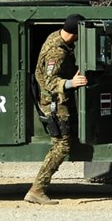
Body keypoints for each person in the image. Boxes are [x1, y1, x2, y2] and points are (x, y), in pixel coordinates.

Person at [25, 14, 88, 205]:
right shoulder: (57, 52)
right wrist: (71, 82)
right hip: (54, 102)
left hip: (58, 100)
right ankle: (37, 189)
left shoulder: (57, 37)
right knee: (62, 146)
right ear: (75, 33)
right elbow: (51, 82)